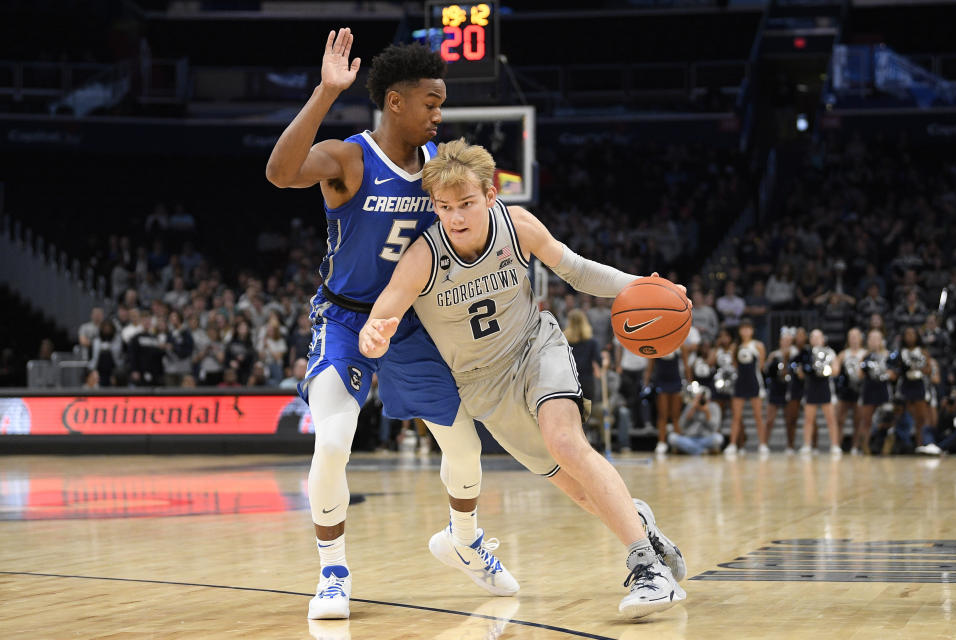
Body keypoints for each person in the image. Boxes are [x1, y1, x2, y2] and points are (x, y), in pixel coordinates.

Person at [359, 139, 687, 619]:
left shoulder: (517, 227)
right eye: (445, 207)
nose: (456, 217)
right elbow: (382, 314)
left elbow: (577, 271)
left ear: (491, 195)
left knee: (566, 442)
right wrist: (374, 335)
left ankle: (647, 570)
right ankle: (643, 527)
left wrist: (642, 287)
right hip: (483, 386)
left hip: (535, 347)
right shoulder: (423, 258)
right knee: (577, 489)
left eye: (467, 203)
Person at [266, 30, 515, 619]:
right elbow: (280, 172)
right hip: (347, 320)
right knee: (332, 440)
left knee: (463, 445)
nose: (439, 113)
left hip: (411, 322)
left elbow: (481, 221)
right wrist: (327, 92)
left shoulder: (439, 168)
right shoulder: (349, 158)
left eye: (441, 103)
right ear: (396, 102)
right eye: (431, 102)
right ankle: (332, 573)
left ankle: (466, 540)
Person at [725, 318, 766, 456]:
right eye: (743, 328)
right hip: (740, 382)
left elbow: (761, 365)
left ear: (753, 330)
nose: (746, 331)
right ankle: (732, 444)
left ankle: (762, 444)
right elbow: (735, 365)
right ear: (740, 330)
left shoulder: (758, 345)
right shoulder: (735, 347)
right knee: (736, 416)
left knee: (758, 415)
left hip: (754, 382)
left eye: (748, 328)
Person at [797, 329, 841, 456]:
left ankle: (834, 445)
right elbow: (800, 372)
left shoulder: (829, 352)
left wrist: (823, 370)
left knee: (831, 419)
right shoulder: (806, 353)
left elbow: (836, 370)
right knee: (808, 419)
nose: (816, 339)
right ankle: (807, 445)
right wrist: (806, 370)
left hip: (825, 387)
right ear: (810, 340)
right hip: (811, 387)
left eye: (818, 337)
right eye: (813, 337)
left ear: (823, 339)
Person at [893, 326, 933, 447]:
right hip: (905, 384)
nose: (910, 337)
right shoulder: (900, 352)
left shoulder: (923, 351)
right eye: (907, 334)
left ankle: (920, 444)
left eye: (912, 334)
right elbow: (896, 369)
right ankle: (902, 444)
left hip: (918, 383)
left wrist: (919, 369)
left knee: (920, 417)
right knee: (901, 414)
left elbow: (929, 369)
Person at [857, 328, 895, 453]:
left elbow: (894, 374)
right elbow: (860, 375)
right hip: (869, 389)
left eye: (876, 339)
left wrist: (886, 373)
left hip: (883, 389)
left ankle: (886, 448)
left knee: (888, 419)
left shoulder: (888, 355)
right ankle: (865, 447)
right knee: (866, 420)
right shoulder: (865, 356)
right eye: (871, 339)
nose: (873, 342)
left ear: (881, 341)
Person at [644, 344, 686, 455]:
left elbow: (686, 365)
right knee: (663, 415)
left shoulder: (680, 345)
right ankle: (662, 442)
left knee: (676, 415)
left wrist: (689, 383)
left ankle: (678, 444)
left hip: (676, 382)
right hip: (662, 382)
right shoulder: (656, 344)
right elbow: (650, 366)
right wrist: (646, 382)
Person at [764, 328, 796, 453]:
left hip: (789, 388)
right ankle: (764, 444)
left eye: (788, 340)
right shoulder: (774, 355)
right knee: (770, 419)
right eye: (784, 340)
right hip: (776, 387)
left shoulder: (795, 353)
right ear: (780, 341)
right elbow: (767, 371)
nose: (786, 343)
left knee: (790, 420)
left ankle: (790, 446)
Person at [834, 327, 866, 453]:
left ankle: (855, 446)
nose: (853, 339)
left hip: (859, 389)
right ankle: (837, 444)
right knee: (840, 419)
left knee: (858, 420)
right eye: (851, 337)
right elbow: (836, 370)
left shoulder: (865, 353)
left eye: (856, 336)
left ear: (860, 338)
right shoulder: (843, 354)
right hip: (845, 390)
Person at [668, 382, 723, 455]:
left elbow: (715, 427)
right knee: (672, 438)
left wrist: (707, 412)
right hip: (689, 438)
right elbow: (681, 426)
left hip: (706, 438)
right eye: (699, 398)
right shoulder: (691, 406)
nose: (701, 400)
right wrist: (692, 409)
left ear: (708, 399)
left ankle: (690, 449)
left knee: (718, 438)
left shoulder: (714, 407)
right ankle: (703, 451)